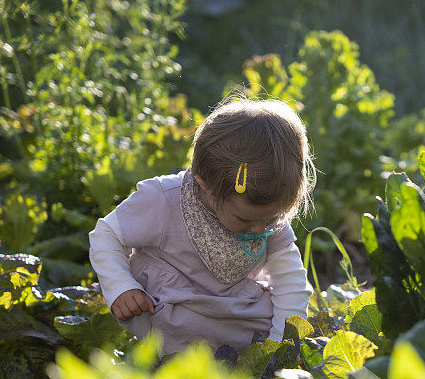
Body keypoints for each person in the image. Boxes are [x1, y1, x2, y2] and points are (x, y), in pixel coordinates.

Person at [88, 97, 316, 360]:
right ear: (205, 185)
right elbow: (107, 235)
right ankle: (163, 365)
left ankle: (244, 364)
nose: (260, 228)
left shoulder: (262, 213)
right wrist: (122, 287)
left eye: (273, 218)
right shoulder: (164, 199)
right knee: (170, 328)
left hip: (231, 311)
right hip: (169, 307)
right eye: (245, 220)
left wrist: (279, 351)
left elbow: (291, 283)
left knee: (272, 316)